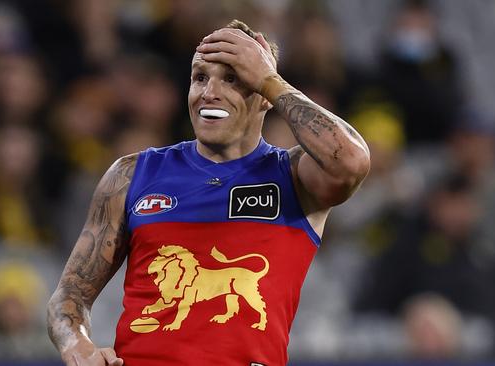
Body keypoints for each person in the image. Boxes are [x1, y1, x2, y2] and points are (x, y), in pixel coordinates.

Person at [47, 19, 370, 365]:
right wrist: (76, 345)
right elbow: (69, 296)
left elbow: (351, 161)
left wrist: (270, 80)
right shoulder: (131, 174)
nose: (209, 93)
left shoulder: (294, 177)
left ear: (264, 98)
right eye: (200, 77)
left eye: (233, 78)